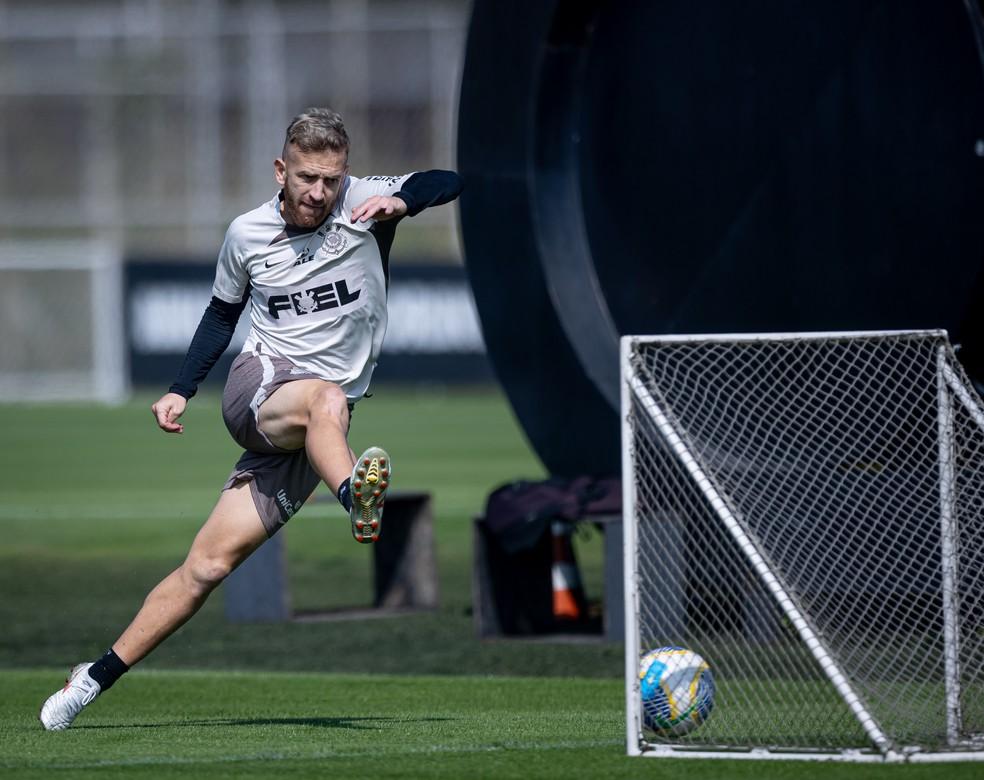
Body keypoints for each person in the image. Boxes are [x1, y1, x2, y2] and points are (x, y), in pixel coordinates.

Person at [39, 107, 464, 731]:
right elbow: (220, 316)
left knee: (206, 567)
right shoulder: (247, 234)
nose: (319, 192)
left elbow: (447, 179)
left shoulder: (365, 203)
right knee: (328, 400)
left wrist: (404, 204)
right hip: (260, 388)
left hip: (312, 434)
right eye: (306, 177)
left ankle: (90, 678)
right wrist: (181, 389)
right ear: (280, 170)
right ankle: (357, 498)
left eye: (330, 178)